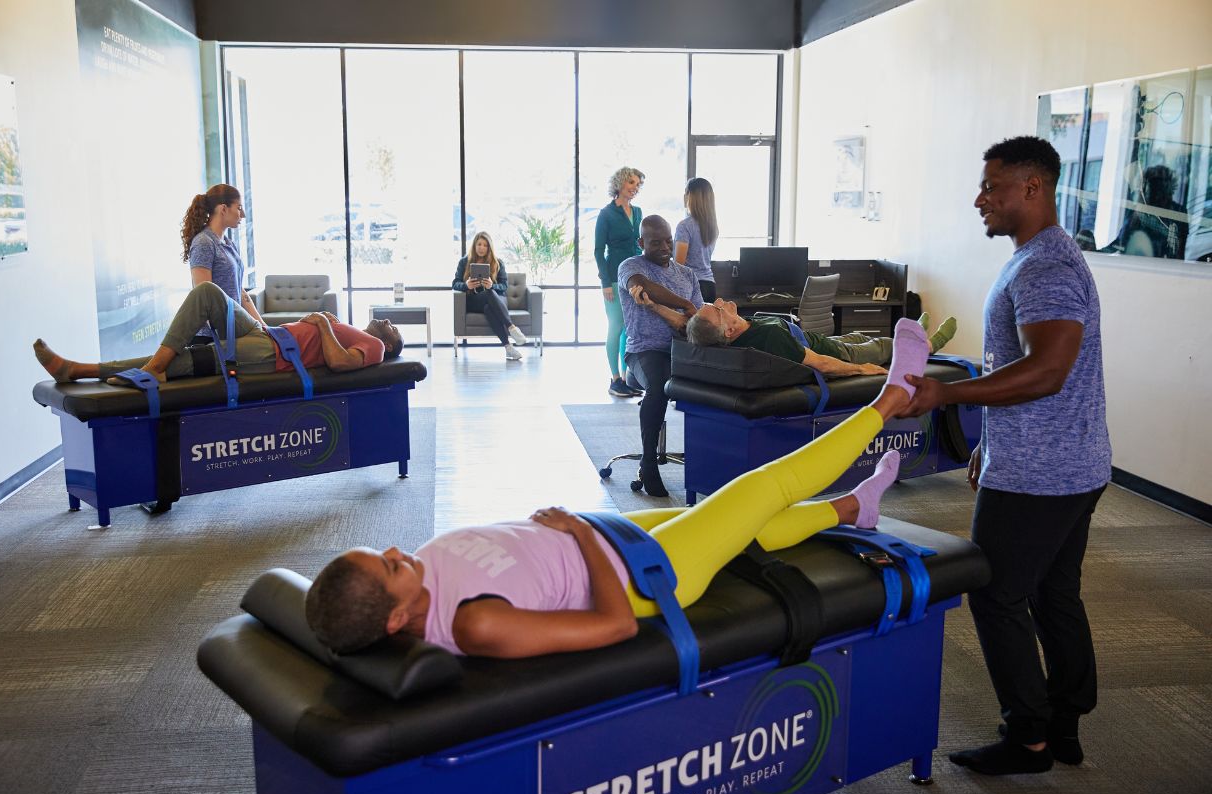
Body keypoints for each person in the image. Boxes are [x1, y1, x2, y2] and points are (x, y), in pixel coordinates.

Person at [305, 317, 933, 658]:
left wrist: (580, 532)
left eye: (382, 551)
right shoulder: (475, 626)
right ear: (396, 619)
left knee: (750, 527)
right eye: (390, 566)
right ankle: (891, 399)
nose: (398, 551)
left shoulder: (421, 574)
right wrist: (578, 532)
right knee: (763, 488)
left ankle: (851, 508)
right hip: (650, 579)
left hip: (615, 537)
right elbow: (614, 628)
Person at [901, 136, 1111, 776]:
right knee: (1054, 594)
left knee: (995, 595)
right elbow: (1034, 369)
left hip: (1038, 476)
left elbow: (1046, 371)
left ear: (1032, 187)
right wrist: (988, 442)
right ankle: (1065, 724)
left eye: (992, 187)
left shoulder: (1045, 268)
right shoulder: (1044, 257)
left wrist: (945, 394)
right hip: (1073, 463)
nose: (979, 199)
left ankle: (1029, 739)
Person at [34, 281, 403, 384]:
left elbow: (339, 364)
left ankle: (78, 370)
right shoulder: (361, 333)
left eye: (392, 328)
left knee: (186, 361)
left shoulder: (374, 347)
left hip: (272, 356)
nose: (387, 321)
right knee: (207, 293)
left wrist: (322, 323)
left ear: (388, 345)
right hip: (268, 335)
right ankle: (155, 367)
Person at [618, 215, 704, 498]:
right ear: (641, 242)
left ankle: (712, 458)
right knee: (659, 385)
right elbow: (645, 287)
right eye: (656, 243)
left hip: (684, 350)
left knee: (720, 381)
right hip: (644, 351)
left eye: (668, 241)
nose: (665, 247)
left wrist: (686, 312)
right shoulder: (631, 267)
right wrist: (684, 304)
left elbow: (698, 321)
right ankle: (649, 461)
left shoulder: (687, 275)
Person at [686, 299, 958, 377]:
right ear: (728, 332)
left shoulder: (743, 328)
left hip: (824, 340)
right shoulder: (768, 338)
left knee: (859, 335)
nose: (720, 302)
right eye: (717, 309)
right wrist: (862, 369)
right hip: (832, 353)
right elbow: (821, 364)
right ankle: (927, 345)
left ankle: (916, 335)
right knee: (881, 346)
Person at [181, 184, 264, 344]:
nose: (243, 214)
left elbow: (239, 291)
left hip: (230, 332)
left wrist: (262, 326)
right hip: (210, 337)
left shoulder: (228, 243)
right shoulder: (204, 242)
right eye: (239, 208)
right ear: (223, 209)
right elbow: (204, 296)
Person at [595, 167, 646, 398]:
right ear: (620, 183)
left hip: (634, 276)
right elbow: (598, 251)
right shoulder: (606, 214)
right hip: (614, 278)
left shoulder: (638, 212)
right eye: (631, 183)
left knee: (628, 327)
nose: (635, 187)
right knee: (616, 326)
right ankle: (614, 379)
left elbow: (639, 245)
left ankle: (625, 379)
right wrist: (605, 282)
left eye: (638, 184)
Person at [452, 232, 528, 361]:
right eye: (479, 244)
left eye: (485, 245)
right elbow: (455, 284)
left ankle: (508, 348)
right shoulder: (464, 261)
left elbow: (504, 286)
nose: (481, 248)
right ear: (474, 245)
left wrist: (492, 285)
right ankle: (512, 328)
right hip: (474, 300)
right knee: (488, 293)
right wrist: (466, 285)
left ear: (489, 247)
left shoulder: (498, 262)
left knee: (488, 305)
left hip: (495, 299)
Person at [674, 177, 719, 303]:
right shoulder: (712, 226)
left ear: (690, 196)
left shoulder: (684, 226)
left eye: (686, 192)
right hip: (710, 285)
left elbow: (679, 265)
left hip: (692, 286)